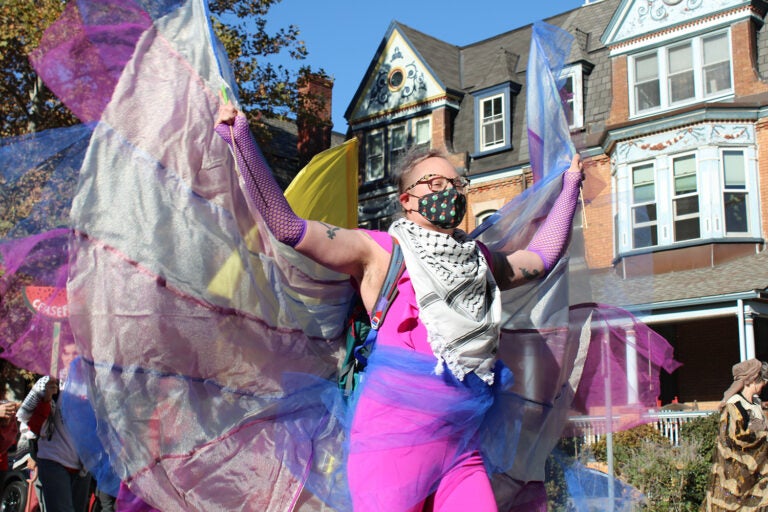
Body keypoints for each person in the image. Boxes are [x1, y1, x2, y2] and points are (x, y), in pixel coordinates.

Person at [215, 98, 583, 511]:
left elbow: (540, 260)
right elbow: (287, 226)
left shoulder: (478, 260)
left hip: (461, 445)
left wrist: (570, 186)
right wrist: (241, 138)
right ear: (407, 200)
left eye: (456, 184)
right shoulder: (379, 251)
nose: (450, 192)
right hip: (390, 444)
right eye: (435, 184)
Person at [701, 358, 768, 511]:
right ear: (750, 380)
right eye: (762, 380)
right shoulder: (735, 404)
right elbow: (732, 438)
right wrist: (760, 436)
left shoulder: (756, 403)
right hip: (740, 469)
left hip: (761, 467)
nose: (764, 385)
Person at [17, 376, 90, 512]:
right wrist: (46, 400)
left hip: (84, 466)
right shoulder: (48, 383)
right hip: (53, 460)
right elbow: (32, 426)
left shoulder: (94, 386)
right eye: (69, 354)